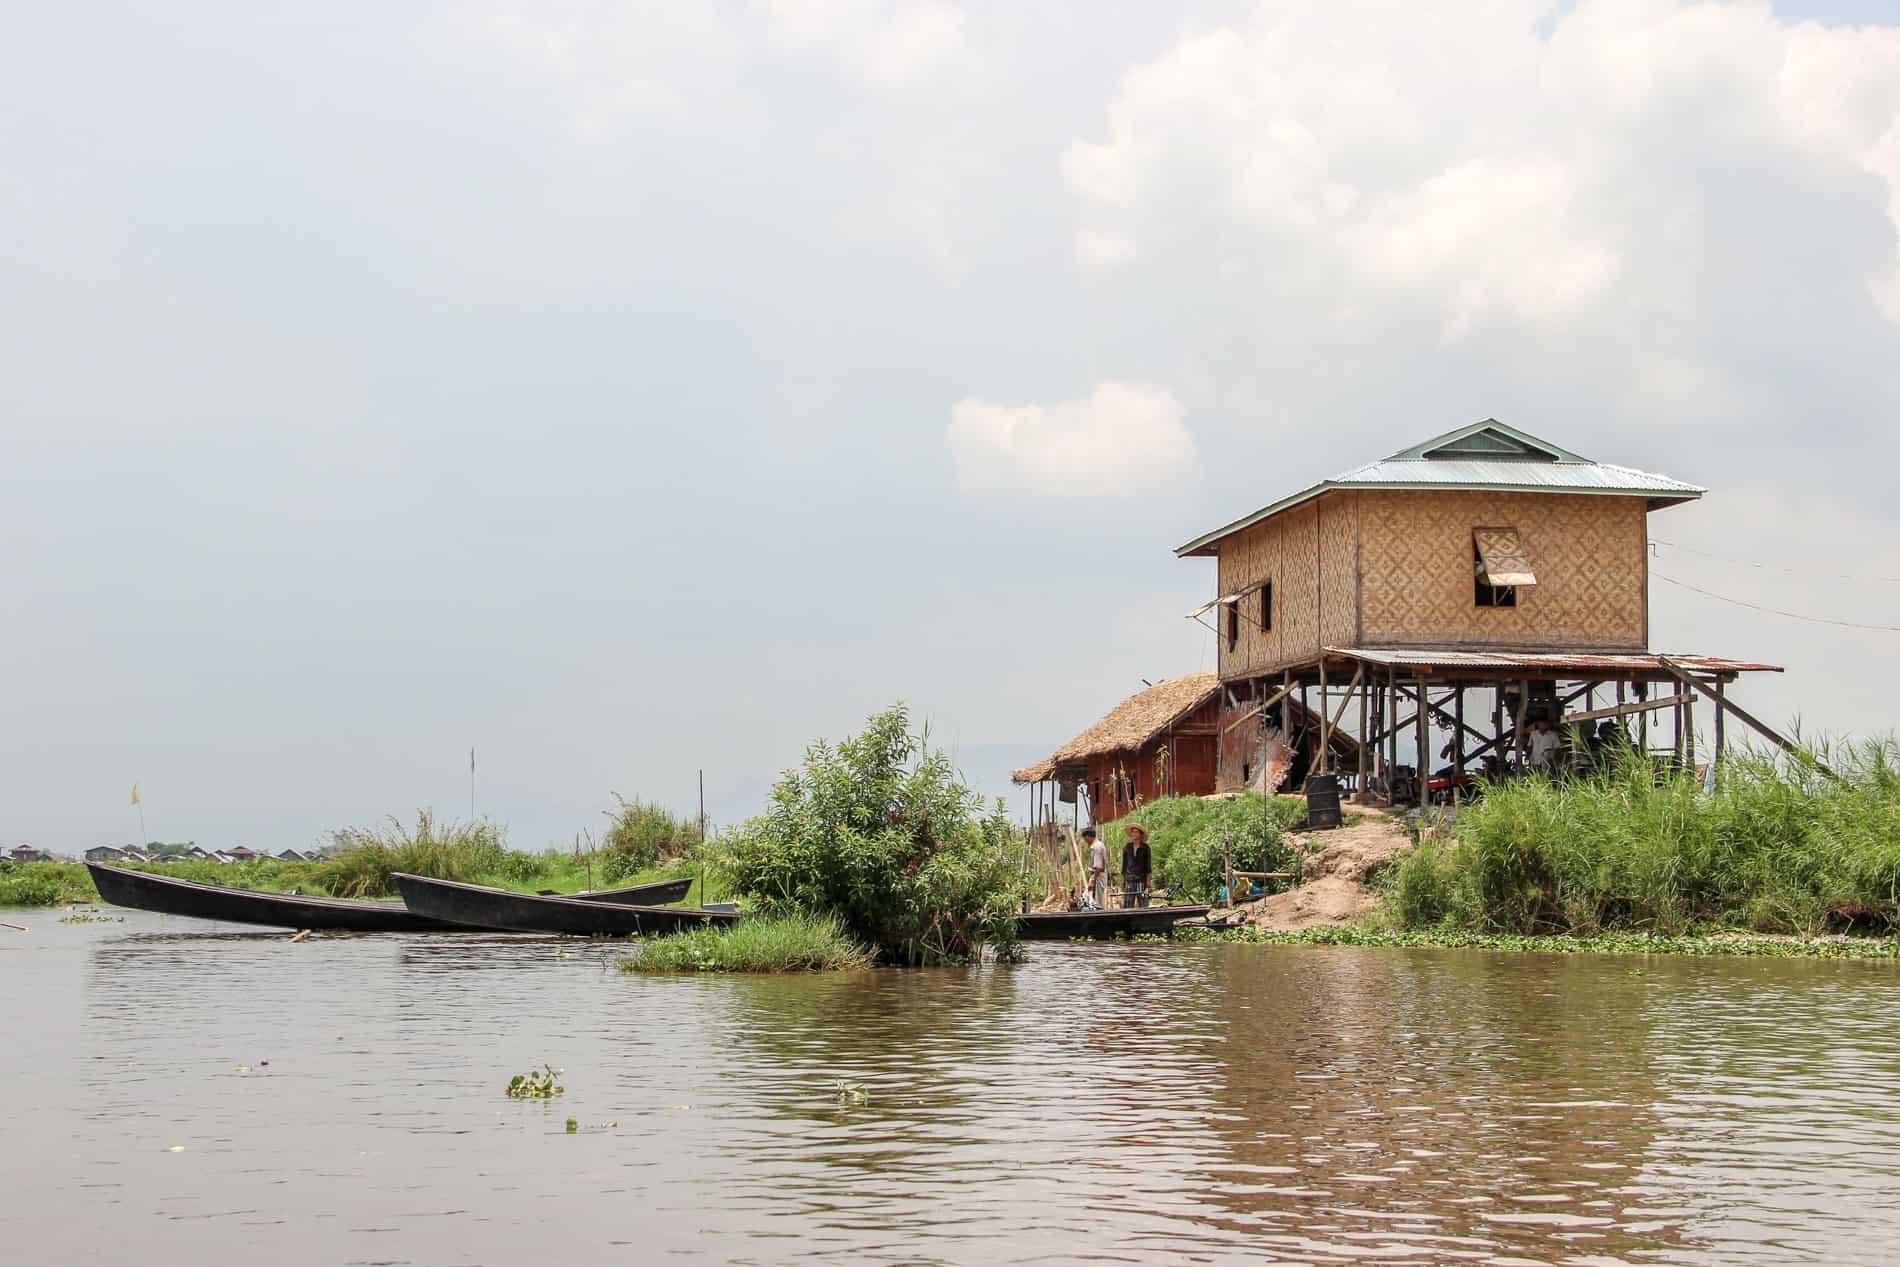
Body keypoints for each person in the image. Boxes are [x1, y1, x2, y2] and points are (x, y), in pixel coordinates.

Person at [1121, 824, 1153, 909]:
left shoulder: (1145, 848)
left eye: (1136, 832)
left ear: (1140, 834)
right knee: (1128, 903)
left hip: (1141, 879)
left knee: (1143, 903)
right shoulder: (1127, 847)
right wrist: (1123, 880)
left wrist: (1148, 881)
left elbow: (1148, 865)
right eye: (1132, 832)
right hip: (1129, 878)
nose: (1134, 834)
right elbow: (1124, 865)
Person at [1083, 826, 1107, 911]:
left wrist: (1093, 881)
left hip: (1098, 876)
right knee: (1091, 900)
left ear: (1088, 837)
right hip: (1098, 876)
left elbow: (1098, 867)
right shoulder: (1099, 845)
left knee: (1094, 903)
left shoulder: (1096, 847)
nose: (1085, 841)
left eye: (1085, 839)